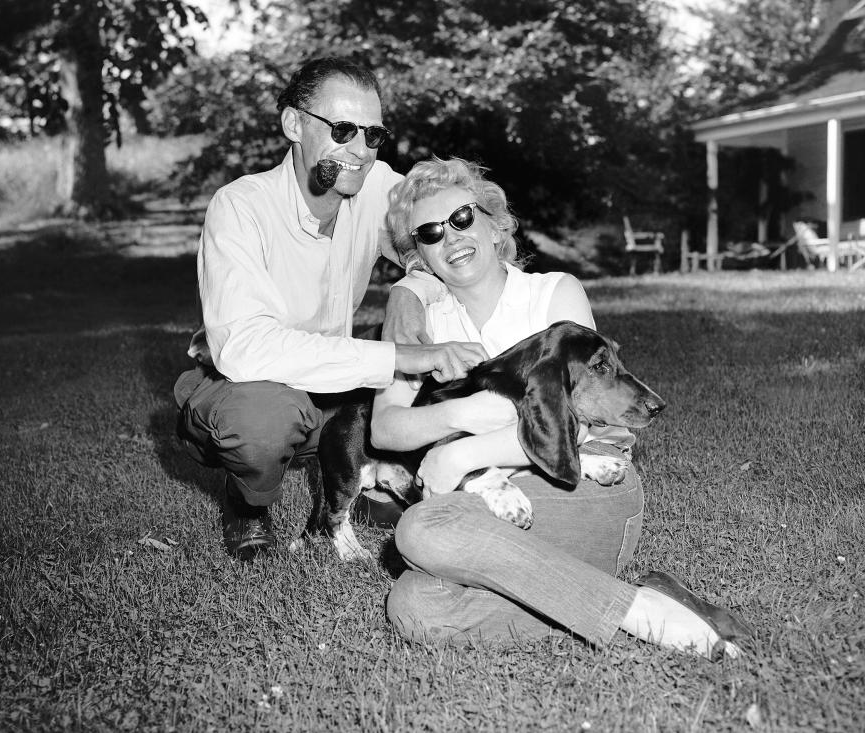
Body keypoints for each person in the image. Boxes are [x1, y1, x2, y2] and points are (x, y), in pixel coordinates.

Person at [375, 157, 751, 660]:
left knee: (420, 529)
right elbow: (384, 428)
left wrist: (458, 456)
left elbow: (573, 425)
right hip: (487, 503)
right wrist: (457, 416)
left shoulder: (553, 293)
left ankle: (644, 619)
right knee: (414, 604)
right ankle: (633, 601)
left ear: (495, 224)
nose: (452, 238)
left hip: (583, 485)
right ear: (419, 253)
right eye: (430, 232)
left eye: (463, 218)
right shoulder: (425, 321)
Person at [174, 58, 485, 561]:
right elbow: (247, 348)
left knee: (431, 382)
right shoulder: (239, 207)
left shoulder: (375, 185)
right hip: (248, 382)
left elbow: (447, 237)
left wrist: (412, 287)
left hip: (335, 387)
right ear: (294, 124)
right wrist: (396, 357)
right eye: (342, 131)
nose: (360, 152)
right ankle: (247, 502)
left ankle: (375, 483)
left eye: (373, 135)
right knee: (263, 423)